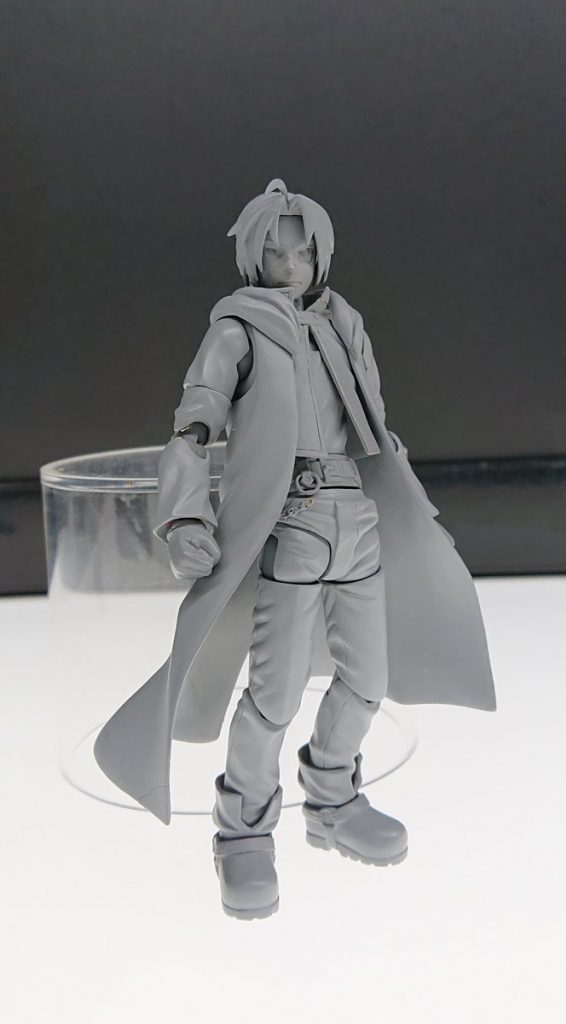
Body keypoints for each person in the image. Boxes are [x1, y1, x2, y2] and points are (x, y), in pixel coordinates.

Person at [94, 180, 496, 920]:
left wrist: (408, 501)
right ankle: (243, 830)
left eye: (304, 250)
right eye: (276, 252)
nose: (291, 263)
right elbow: (192, 427)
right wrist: (184, 515)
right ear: (253, 257)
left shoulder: (345, 323)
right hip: (291, 521)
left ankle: (333, 797)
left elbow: (376, 424)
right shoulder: (237, 329)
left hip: (356, 515)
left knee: (367, 680)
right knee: (273, 696)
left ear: (321, 254)